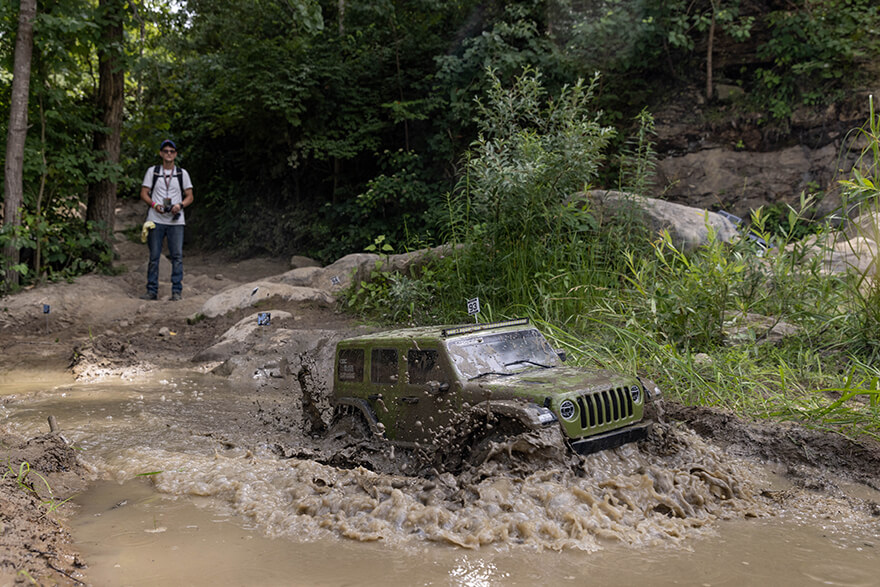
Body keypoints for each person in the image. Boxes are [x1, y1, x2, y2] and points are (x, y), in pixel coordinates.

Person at [138, 139, 194, 301]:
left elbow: (190, 196)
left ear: (175, 154)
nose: (168, 153)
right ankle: (151, 291)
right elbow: (143, 193)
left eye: (171, 151)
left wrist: (180, 205)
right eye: (166, 151)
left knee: (177, 256)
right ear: (161, 154)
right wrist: (154, 205)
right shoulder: (153, 171)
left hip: (176, 221)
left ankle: (176, 291)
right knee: (154, 256)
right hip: (155, 219)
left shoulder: (182, 174)